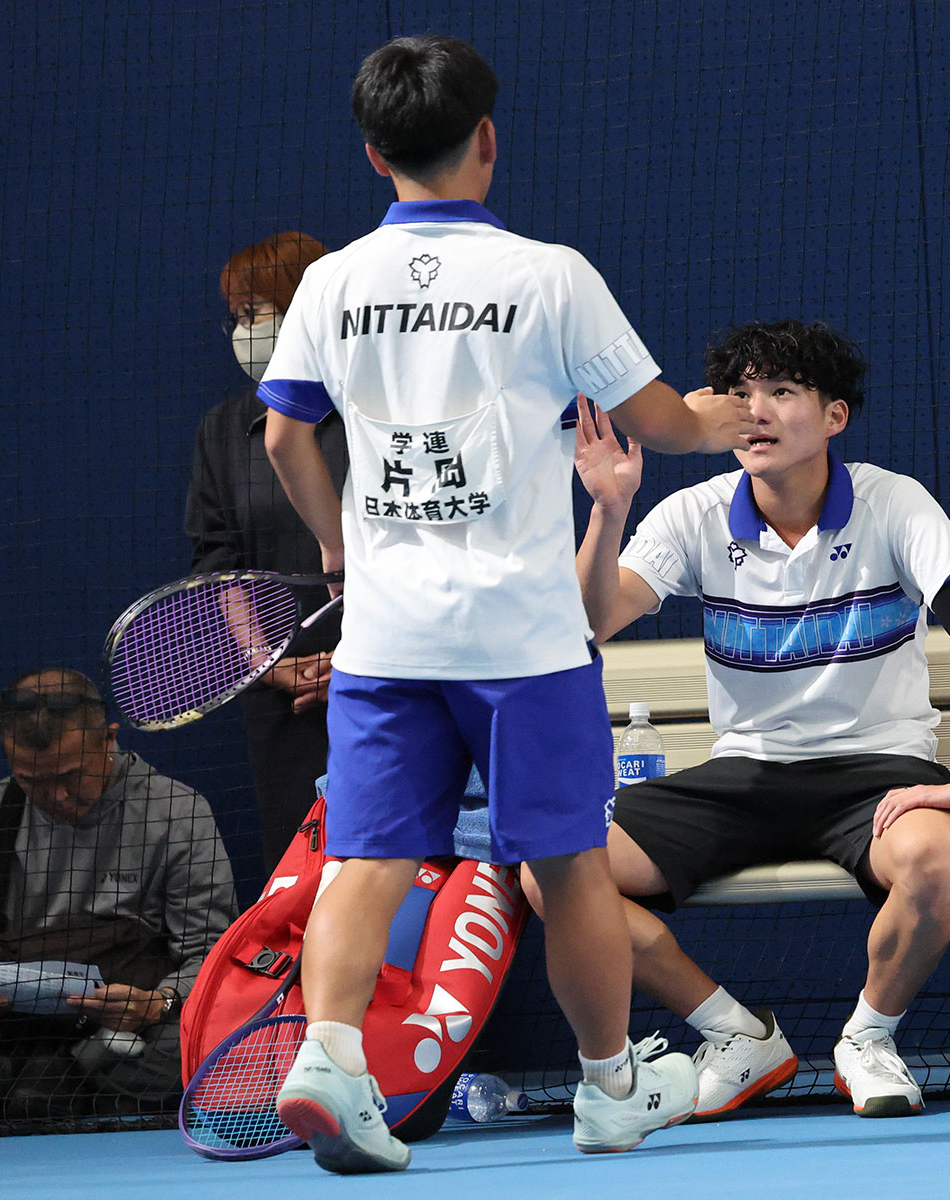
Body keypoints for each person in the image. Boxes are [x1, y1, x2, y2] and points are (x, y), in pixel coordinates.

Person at [257, 35, 757, 1173]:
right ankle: (610, 1088)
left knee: (365, 859)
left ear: (375, 153)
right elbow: (667, 422)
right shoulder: (550, 275)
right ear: (488, 139)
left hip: (387, 636)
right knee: (572, 864)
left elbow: (286, 436)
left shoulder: (330, 283)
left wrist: (339, 551)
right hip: (526, 642)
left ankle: (330, 1060)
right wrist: (733, 414)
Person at [571, 319, 950, 1119]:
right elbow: (586, 624)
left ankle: (869, 1038)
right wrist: (609, 509)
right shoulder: (694, 514)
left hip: (876, 774)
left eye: (781, 391)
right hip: (746, 774)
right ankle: (736, 1034)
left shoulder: (891, 502)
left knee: (934, 857)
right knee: (555, 871)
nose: (757, 411)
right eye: (741, 395)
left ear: (835, 416)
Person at [0, 670, 236, 1125]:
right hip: (1, 1028)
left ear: (109, 738)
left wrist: (161, 1001)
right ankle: (45, 1081)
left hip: (128, 1029)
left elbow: (213, 951)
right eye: (31, 781)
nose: (57, 796)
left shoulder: (178, 812)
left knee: (216, 1044)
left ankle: (54, 1078)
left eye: (71, 775)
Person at [187, 231, 345, 876]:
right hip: (284, 702)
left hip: (392, 682)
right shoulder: (224, 431)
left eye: (254, 313)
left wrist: (357, 662)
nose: (241, 332)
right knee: (300, 878)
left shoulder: (377, 411)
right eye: (235, 318)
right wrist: (268, 665)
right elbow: (217, 563)